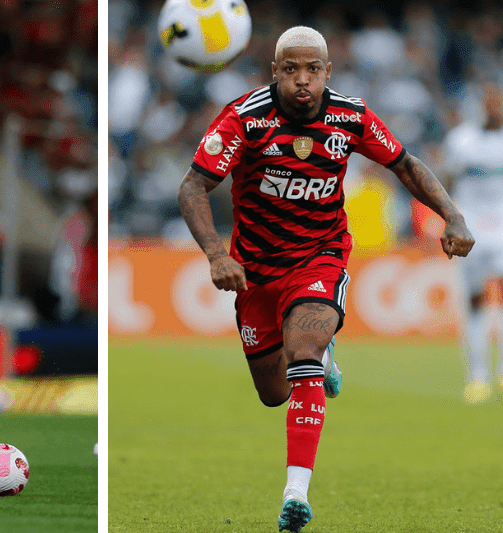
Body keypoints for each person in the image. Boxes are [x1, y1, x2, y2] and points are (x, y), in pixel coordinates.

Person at [177, 27, 474, 532]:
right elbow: (193, 185)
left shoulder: (350, 116)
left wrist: (454, 216)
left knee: (305, 352)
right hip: (256, 271)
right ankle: (322, 360)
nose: (301, 80)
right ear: (275, 72)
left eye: (312, 70)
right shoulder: (244, 120)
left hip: (320, 256)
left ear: (327, 72)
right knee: (273, 392)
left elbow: (405, 164)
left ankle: (296, 494)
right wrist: (214, 253)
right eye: (290, 69)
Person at [443, 81, 503, 404]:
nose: (494, 107)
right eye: (489, 100)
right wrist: (451, 220)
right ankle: (478, 378)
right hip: (472, 231)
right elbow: (446, 182)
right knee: (476, 303)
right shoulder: (461, 141)